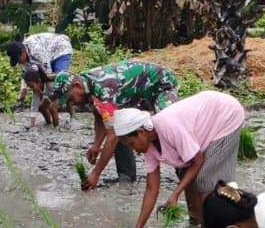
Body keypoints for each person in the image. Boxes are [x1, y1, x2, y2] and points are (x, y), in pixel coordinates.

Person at [110, 90, 244, 228]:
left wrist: (175, 194)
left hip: (226, 114)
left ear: (141, 132)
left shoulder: (168, 127)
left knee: (204, 178)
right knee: (185, 174)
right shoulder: (149, 147)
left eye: (131, 144)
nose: (133, 150)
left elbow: (197, 160)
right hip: (205, 123)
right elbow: (151, 188)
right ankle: (196, 223)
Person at [38, 60, 180, 190]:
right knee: (121, 127)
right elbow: (100, 118)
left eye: (70, 98)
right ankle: (127, 178)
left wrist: (96, 173)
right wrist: (96, 144)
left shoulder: (103, 88)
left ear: (77, 86)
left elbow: (112, 135)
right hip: (136, 94)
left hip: (161, 83)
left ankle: (186, 169)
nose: (71, 103)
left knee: (164, 127)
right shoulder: (87, 87)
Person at [6, 32, 73, 114]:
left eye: (18, 60)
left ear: (23, 52)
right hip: (48, 53)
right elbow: (26, 79)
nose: (19, 63)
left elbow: (47, 75)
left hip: (61, 49)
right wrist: (20, 100)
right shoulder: (21, 58)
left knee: (60, 79)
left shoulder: (36, 50)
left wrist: (42, 95)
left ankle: (66, 106)